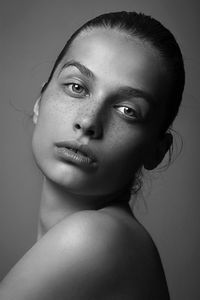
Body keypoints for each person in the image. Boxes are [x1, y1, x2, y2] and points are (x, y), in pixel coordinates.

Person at [0, 11, 185, 300]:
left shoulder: (97, 238)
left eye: (127, 110)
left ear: (157, 151)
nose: (88, 122)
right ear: (39, 101)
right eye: (77, 87)